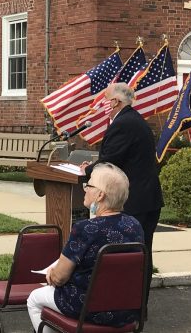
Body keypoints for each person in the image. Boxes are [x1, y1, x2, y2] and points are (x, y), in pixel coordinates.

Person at [27, 163, 145, 332]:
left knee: (34, 299)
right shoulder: (135, 225)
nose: (84, 189)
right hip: (126, 310)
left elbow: (60, 277)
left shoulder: (85, 229)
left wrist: (51, 275)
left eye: (88, 185)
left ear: (100, 195)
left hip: (88, 308)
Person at [80, 82, 163, 310]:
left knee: (133, 255)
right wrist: (93, 166)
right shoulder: (133, 120)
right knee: (139, 255)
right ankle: (132, 307)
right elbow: (120, 157)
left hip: (137, 202)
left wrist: (87, 170)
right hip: (145, 198)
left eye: (105, 100)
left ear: (115, 102)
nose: (103, 105)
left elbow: (111, 160)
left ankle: (130, 308)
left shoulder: (124, 124)